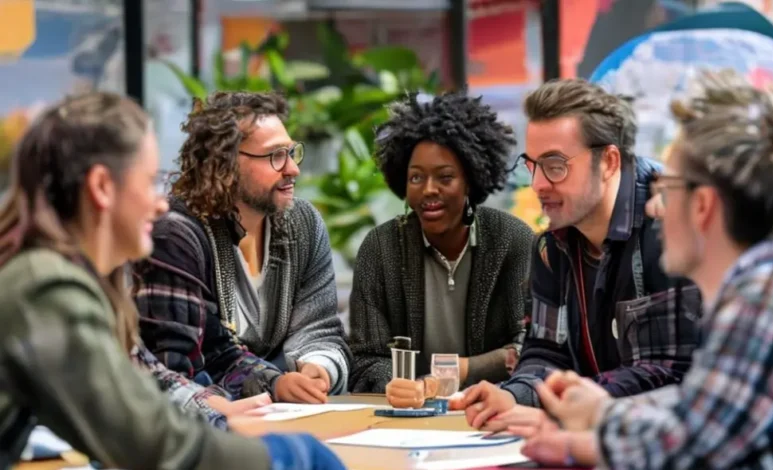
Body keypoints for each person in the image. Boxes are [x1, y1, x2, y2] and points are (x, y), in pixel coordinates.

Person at [0, 92, 345, 469]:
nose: (160, 202)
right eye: (149, 181)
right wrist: (291, 456)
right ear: (101, 186)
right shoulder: (45, 289)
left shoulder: (50, 277)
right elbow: (150, 441)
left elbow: (140, 379)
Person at [517, 69, 773, 470]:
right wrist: (594, 410)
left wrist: (588, 430)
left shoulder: (759, 296)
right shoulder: (754, 286)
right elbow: (698, 410)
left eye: (665, 190)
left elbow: (693, 442)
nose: (653, 206)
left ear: (703, 206)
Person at [453, 78, 703, 429]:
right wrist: (513, 396)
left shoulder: (667, 224)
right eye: (532, 165)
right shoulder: (551, 246)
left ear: (609, 162)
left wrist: (561, 407)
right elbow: (545, 353)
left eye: (555, 165)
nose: (538, 184)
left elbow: (667, 370)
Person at [132, 91, 351, 403]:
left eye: (291, 152)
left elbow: (321, 327)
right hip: (210, 421)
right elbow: (176, 367)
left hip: (286, 408)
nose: (292, 169)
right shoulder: (176, 235)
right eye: (276, 155)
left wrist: (319, 367)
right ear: (226, 165)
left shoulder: (302, 222)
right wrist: (269, 387)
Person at [348, 91, 536, 406]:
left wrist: (456, 372)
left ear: (470, 181)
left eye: (445, 177)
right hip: (404, 416)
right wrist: (397, 386)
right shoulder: (380, 248)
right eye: (416, 178)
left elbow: (528, 348)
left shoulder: (511, 239)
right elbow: (366, 357)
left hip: (490, 408)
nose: (429, 189)